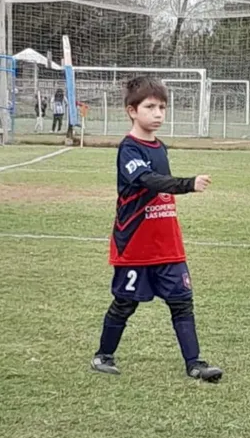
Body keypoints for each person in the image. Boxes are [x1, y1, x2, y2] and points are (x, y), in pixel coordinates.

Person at [91, 76, 223, 382]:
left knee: (182, 301)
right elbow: (148, 180)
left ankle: (195, 363)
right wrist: (187, 184)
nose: (158, 113)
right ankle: (103, 355)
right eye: (150, 106)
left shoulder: (160, 146)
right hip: (135, 244)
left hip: (167, 245)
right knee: (125, 303)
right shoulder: (128, 149)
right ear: (132, 111)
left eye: (162, 107)